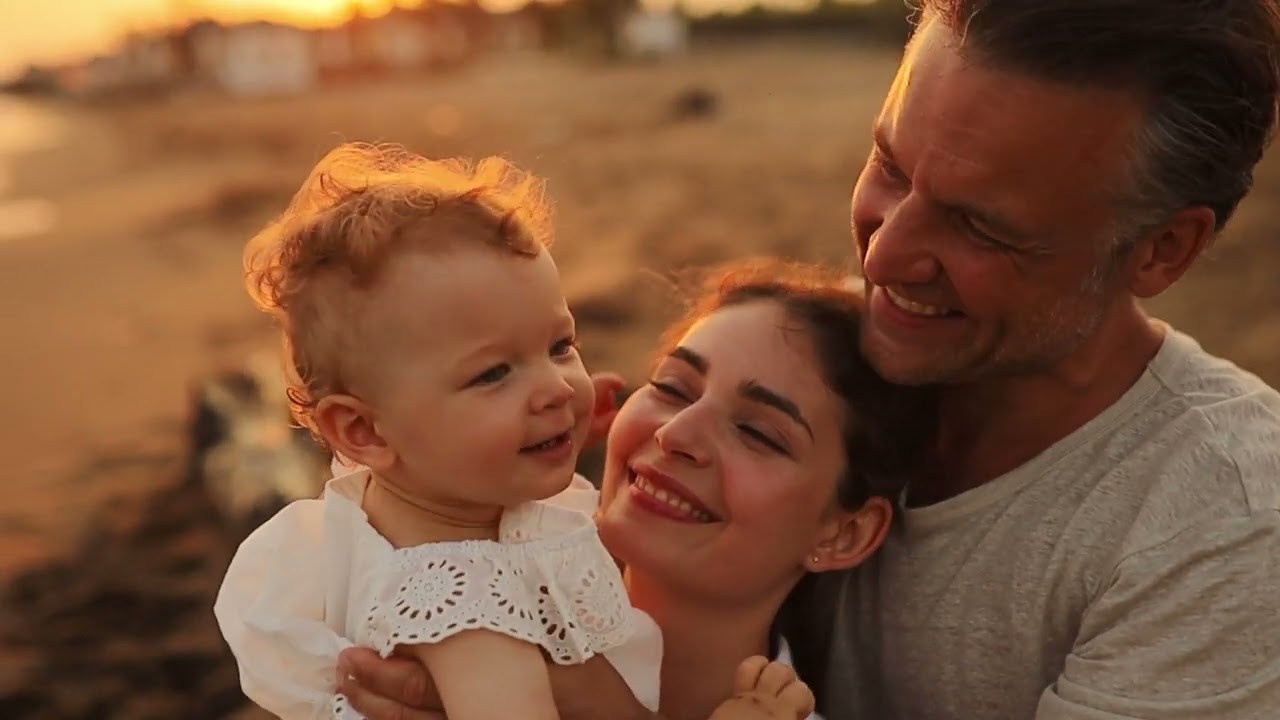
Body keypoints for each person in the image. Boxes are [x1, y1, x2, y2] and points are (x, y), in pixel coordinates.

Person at [340, 1, 1280, 718]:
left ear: (1162, 251)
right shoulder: (832, 358)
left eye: (980, 224)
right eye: (892, 169)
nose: (886, 254)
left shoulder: (1220, 527)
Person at [332, 260, 936, 720]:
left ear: (844, 532)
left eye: (757, 432)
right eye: (673, 387)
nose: (676, 433)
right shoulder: (443, 615)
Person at [214, 143, 672, 720]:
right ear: (361, 430)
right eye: (493, 373)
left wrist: (540, 429)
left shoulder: (406, 492)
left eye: (560, 347)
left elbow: (437, 440)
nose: (557, 388)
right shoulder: (470, 612)